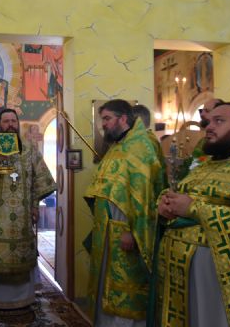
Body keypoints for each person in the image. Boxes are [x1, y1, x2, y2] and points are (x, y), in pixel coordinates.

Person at [155, 102, 230, 326]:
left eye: (219, 121)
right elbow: (181, 193)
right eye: (209, 121)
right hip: (182, 274)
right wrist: (164, 205)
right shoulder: (205, 165)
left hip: (219, 277)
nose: (209, 127)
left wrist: (193, 209)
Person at [84, 99, 166, 326]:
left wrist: (132, 230)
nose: (103, 124)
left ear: (123, 119)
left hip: (125, 229)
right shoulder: (118, 146)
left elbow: (145, 194)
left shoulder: (141, 147)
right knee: (106, 283)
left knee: (125, 287)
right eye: (102, 119)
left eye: (107, 119)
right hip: (107, 228)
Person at [0, 108, 56, 310]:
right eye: (6, 121)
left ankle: (21, 298)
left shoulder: (28, 148)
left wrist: (35, 206)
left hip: (23, 217)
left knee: (21, 253)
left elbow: (39, 179)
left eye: (13, 121)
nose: (10, 125)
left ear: (17, 124)